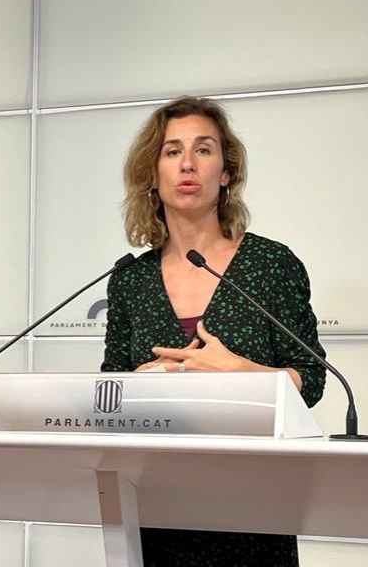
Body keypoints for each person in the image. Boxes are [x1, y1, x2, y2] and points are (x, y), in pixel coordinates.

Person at [102, 96, 327, 566]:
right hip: (155, 509)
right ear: (153, 174)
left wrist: (240, 371)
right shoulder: (130, 279)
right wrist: (143, 380)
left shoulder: (270, 264)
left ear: (226, 173)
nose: (187, 163)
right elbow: (110, 388)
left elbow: (313, 379)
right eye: (171, 151)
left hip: (253, 510)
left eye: (203, 150)